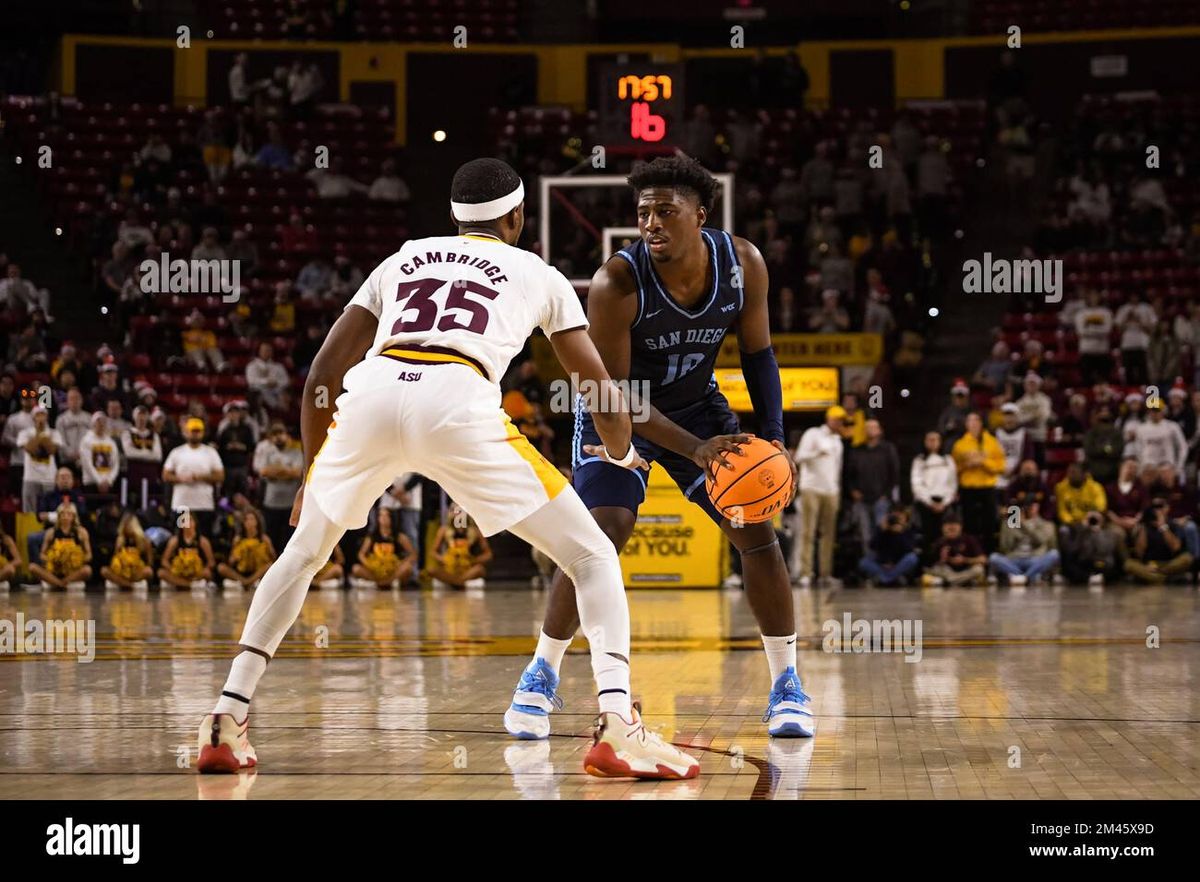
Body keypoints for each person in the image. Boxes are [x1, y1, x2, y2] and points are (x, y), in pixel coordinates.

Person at [196, 157, 698, 779]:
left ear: (456, 219)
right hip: (457, 398)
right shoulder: (539, 273)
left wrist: (310, 473)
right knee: (592, 556)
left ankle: (227, 715)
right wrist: (622, 454)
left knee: (301, 556)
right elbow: (597, 388)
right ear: (517, 216)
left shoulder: (402, 257)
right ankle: (620, 727)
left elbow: (323, 374)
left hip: (372, 394)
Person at [506, 155, 811, 744]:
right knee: (602, 531)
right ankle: (541, 671)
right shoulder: (615, 283)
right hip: (621, 413)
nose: (651, 222)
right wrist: (697, 449)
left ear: (701, 214)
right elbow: (614, 394)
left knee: (756, 529)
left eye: (665, 211)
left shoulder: (743, 263)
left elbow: (759, 355)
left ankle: (787, 683)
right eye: (643, 212)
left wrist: (773, 438)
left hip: (698, 407)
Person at [794, 406, 845, 586]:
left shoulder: (838, 441)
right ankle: (806, 573)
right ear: (828, 418)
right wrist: (817, 453)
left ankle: (825, 574)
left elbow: (837, 468)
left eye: (840, 420)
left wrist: (837, 488)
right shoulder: (813, 434)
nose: (838, 422)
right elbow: (799, 457)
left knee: (828, 535)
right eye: (835, 419)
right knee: (808, 531)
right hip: (811, 488)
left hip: (831, 491)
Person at [950, 412, 1006, 551]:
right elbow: (953, 469)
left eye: (976, 420)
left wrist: (983, 462)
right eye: (969, 420)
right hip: (968, 488)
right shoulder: (959, 444)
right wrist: (966, 465)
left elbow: (1001, 467)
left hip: (988, 487)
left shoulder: (992, 442)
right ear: (966, 424)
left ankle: (989, 554)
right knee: (970, 524)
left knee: (990, 523)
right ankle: (972, 552)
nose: (973, 423)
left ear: (981, 423)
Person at [162, 417, 225, 536]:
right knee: (183, 537)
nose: (195, 434)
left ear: (202, 433)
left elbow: (220, 476)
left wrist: (200, 477)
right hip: (182, 504)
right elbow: (165, 475)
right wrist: (180, 478)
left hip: (204, 504)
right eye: (192, 431)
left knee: (203, 537)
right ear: (186, 432)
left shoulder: (211, 452)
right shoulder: (177, 452)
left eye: (198, 431)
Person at [845, 418, 899, 553]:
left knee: (881, 532)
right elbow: (849, 474)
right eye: (867, 427)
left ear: (880, 431)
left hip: (881, 498)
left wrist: (886, 495)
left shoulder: (887, 449)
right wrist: (853, 490)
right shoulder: (857, 451)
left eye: (873, 427)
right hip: (862, 499)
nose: (870, 430)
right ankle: (869, 567)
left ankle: (883, 565)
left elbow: (894, 474)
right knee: (865, 534)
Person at [910, 429, 957, 560]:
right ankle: (928, 564)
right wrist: (930, 503)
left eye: (935, 439)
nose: (932, 442)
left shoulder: (948, 460)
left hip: (944, 504)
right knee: (926, 536)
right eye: (929, 439)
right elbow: (917, 484)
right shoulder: (919, 460)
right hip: (926, 504)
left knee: (943, 537)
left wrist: (945, 502)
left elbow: (952, 484)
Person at [989, 501, 1059, 586]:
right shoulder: (1009, 523)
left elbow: (1040, 540)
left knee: (1054, 554)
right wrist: (1012, 525)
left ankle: (1022, 578)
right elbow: (1005, 546)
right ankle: (1027, 577)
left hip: (1034, 558)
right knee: (994, 558)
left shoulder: (1042, 523)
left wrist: (1024, 524)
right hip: (1014, 558)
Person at [426, 504, 491, 589]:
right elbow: (433, 552)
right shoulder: (444, 530)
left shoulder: (475, 531)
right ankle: (460, 582)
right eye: (456, 511)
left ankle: (456, 582)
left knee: (480, 569)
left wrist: (473, 560)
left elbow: (488, 554)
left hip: (468, 568)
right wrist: (444, 559)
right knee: (431, 570)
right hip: (450, 568)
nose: (458, 514)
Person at [1125, 503, 1192, 584]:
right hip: (1149, 564)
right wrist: (1144, 527)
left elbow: (1175, 547)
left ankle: (1156, 577)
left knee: (1187, 558)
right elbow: (1139, 552)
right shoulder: (1144, 528)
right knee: (1128, 564)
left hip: (1169, 563)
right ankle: (1167, 579)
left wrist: (1163, 526)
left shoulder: (1171, 524)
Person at [30, 503, 92, 590]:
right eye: (62, 514)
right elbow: (42, 554)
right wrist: (52, 559)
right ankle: (61, 584)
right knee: (32, 567)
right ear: (58, 516)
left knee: (87, 570)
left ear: (74, 516)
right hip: (54, 570)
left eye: (69, 514)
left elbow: (89, 554)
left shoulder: (81, 532)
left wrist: (77, 559)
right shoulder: (51, 532)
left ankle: (59, 583)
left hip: (73, 571)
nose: (65, 517)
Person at [350, 505, 414, 589]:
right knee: (356, 568)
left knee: (408, 568)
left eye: (386, 515)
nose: (383, 518)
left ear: (391, 518)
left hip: (393, 569)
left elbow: (413, 554)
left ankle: (386, 582)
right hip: (376, 570)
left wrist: (400, 564)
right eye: (381, 515)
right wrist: (370, 565)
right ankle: (382, 582)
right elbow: (361, 554)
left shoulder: (399, 536)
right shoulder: (372, 536)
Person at [217, 509, 276, 591]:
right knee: (221, 567)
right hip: (242, 570)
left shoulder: (264, 538)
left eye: (251, 519)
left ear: (257, 522)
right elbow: (231, 561)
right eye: (246, 520)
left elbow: (273, 558)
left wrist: (268, 550)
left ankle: (247, 582)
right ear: (243, 523)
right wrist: (235, 556)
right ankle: (245, 582)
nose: (249, 522)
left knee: (269, 566)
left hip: (257, 570)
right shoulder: (238, 539)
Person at [17, 405, 62, 512]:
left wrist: (39, 437)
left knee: (50, 509)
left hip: (49, 477)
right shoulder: (24, 433)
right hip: (30, 477)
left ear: (47, 417)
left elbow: (52, 450)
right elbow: (30, 449)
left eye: (43, 414)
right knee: (29, 510)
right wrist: (39, 434)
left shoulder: (55, 433)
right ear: (33, 418)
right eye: (38, 415)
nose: (41, 418)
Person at [859, 508, 920, 587]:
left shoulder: (908, 530)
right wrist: (882, 531)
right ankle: (892, 578)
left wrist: (900, 534)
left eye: (900, 518)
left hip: (898, 563)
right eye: (895, 517)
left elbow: (909, 549)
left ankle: (885, 579)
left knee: (912, 558)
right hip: (882, 562)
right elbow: (872, 546)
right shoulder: (882, 528)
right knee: (863, 562)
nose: (897, 521)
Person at [924, 514, 987, 587]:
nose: (951, 528)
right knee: (933, 570)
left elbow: (983, 559)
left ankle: (951, 580)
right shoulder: (939, 542)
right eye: (948, 526)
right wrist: (942, 559)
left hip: (966, 569)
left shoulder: (969, 539)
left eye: (954, 526)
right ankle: (963, 581)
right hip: (947, 570)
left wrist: (965, 560)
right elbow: (929, 564)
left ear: (961, 527)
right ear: (942, 528)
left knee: (979, 569)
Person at [101, 514, 154, 590]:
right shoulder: (120, 540)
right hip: (121, 572)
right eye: (125, 525)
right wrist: (118, 548)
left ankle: (124, 584)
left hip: (137, 571)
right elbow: (114, 561)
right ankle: (129, 585)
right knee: (104, 571)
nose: (127, 527)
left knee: (149, 571)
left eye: (129, 525)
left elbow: (150, 562)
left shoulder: (145, 540)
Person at [0, 522, 20, 590]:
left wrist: (8, 565)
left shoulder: (7, 540)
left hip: (2, 571)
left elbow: (18, 560)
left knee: (10, 569)